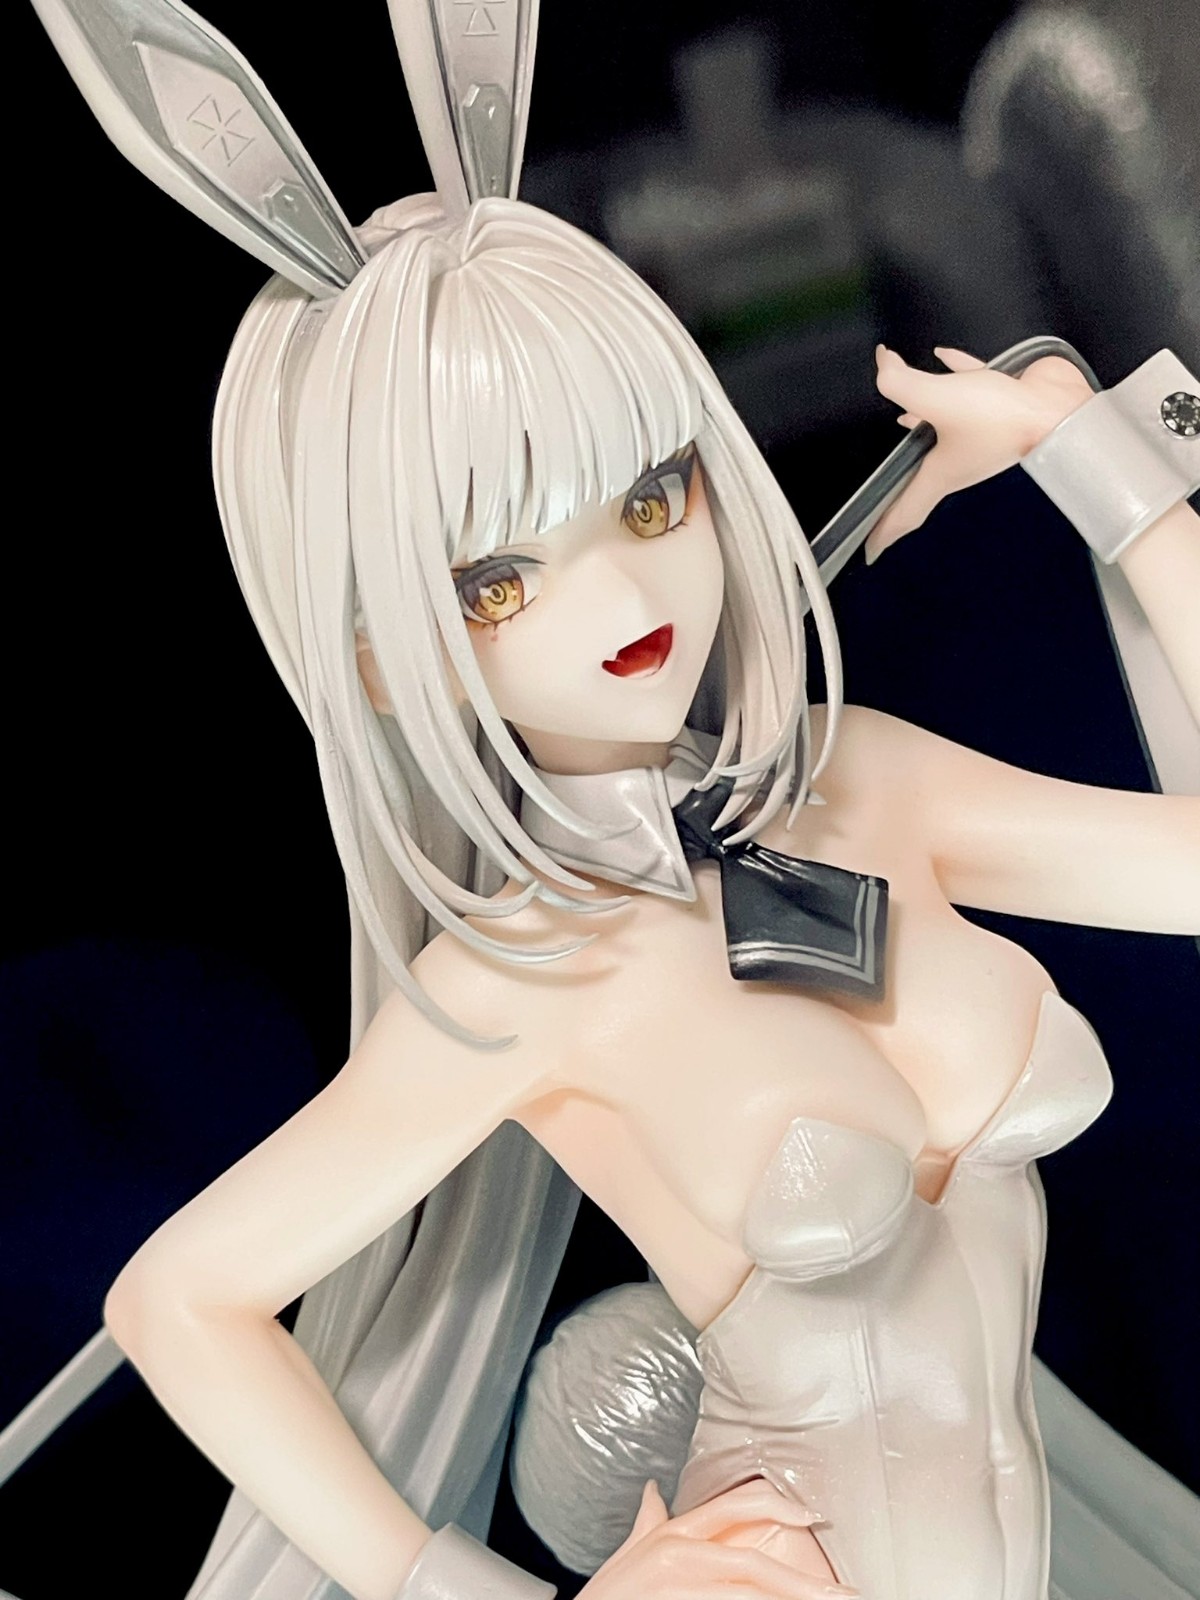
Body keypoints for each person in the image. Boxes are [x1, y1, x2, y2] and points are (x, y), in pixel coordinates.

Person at [16, 3, 1200, 1598]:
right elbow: (177, 1302)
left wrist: (1106, 460)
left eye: (651, 498)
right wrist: (466, 1588)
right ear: (385, 660)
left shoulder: (858, 779)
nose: (624, 595)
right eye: (500, 579)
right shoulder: (520, 979)